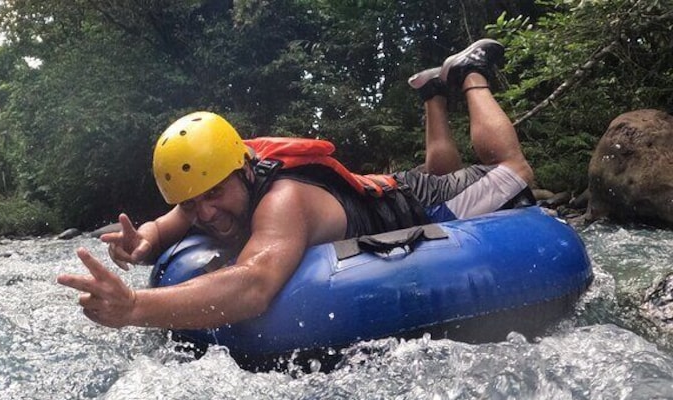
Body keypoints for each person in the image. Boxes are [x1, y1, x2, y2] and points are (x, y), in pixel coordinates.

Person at [58, 39, 535, 330]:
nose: (203, 213)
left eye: (213, 196)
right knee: (438, 174)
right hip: (393, 184)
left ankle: (470, 74)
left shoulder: (283, 201)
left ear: (243, 171)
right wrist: (143, 242)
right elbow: (171, 222)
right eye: (191, 202)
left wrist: (135, 306)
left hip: (411, 205)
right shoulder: (211, 185)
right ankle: (433, 90)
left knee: (512, 173)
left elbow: (254, 287)